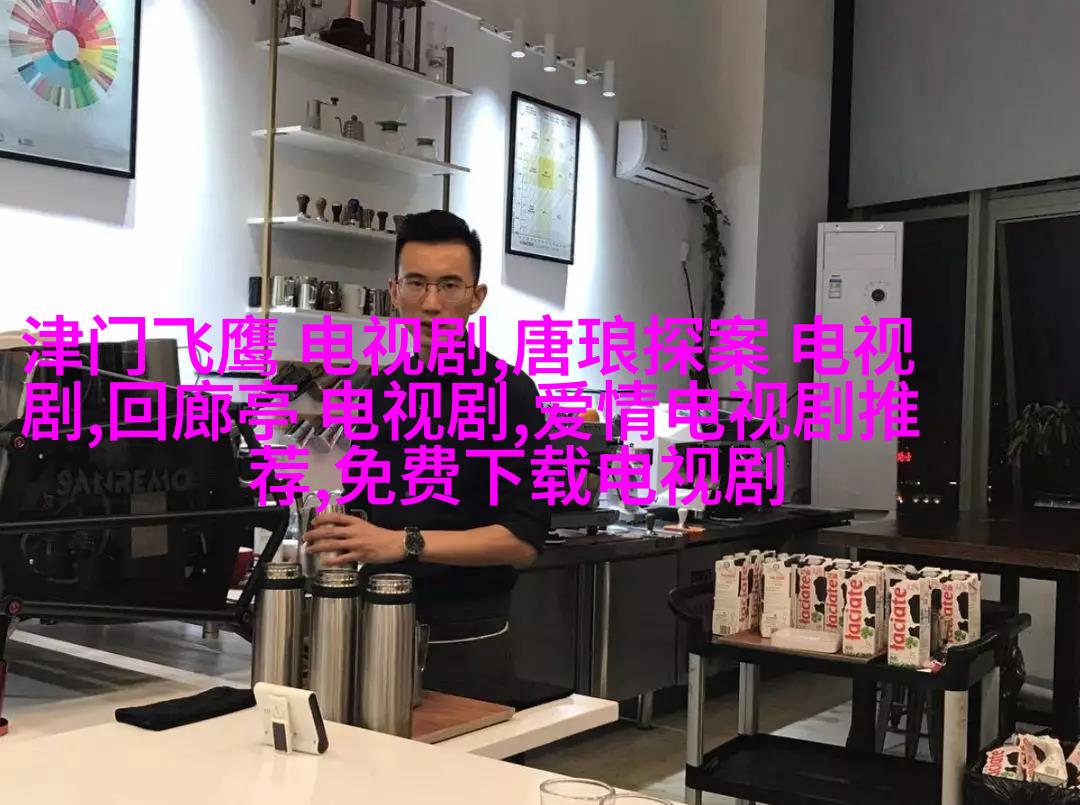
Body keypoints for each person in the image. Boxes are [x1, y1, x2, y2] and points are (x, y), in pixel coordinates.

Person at [302, 210, 551, 705]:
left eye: (450, 286)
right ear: (394, 293)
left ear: (476, 297)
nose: (431, 304)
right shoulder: (377, 391)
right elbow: (369, 515)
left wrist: (403, 542)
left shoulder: (512, 394)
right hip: (373, 629)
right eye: (416, 284)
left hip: (467, 641)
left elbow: (522, 542)